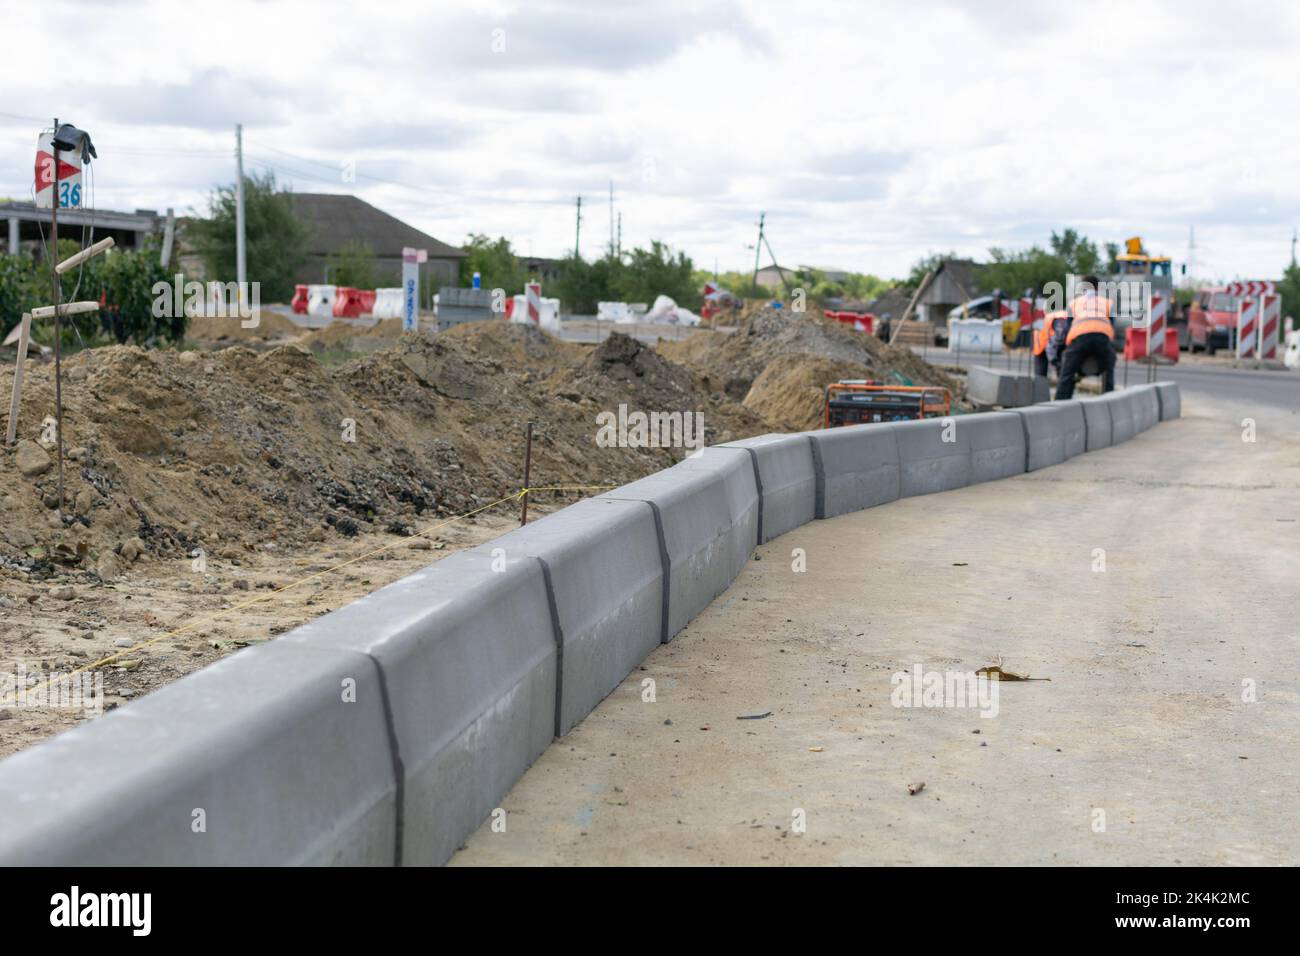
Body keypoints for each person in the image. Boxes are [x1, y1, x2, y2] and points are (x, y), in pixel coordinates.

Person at [1052, 276, 1115, 399]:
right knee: (1109, 368)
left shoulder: (1074, 303)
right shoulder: (1107, 303)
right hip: (1102, 337)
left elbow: (1067, 327)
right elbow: (1111, 324)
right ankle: (1109, 398)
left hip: (1079, 336)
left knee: (1067, 373)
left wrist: (1063, 348)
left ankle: (1060, 402)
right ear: (1098, 287)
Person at [1034, 309, 1067, 378]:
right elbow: (1059, 338)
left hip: (1045, 338)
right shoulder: (1062, 317)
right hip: (1042, 342)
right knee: (1041, 376)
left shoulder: (1060, 315)